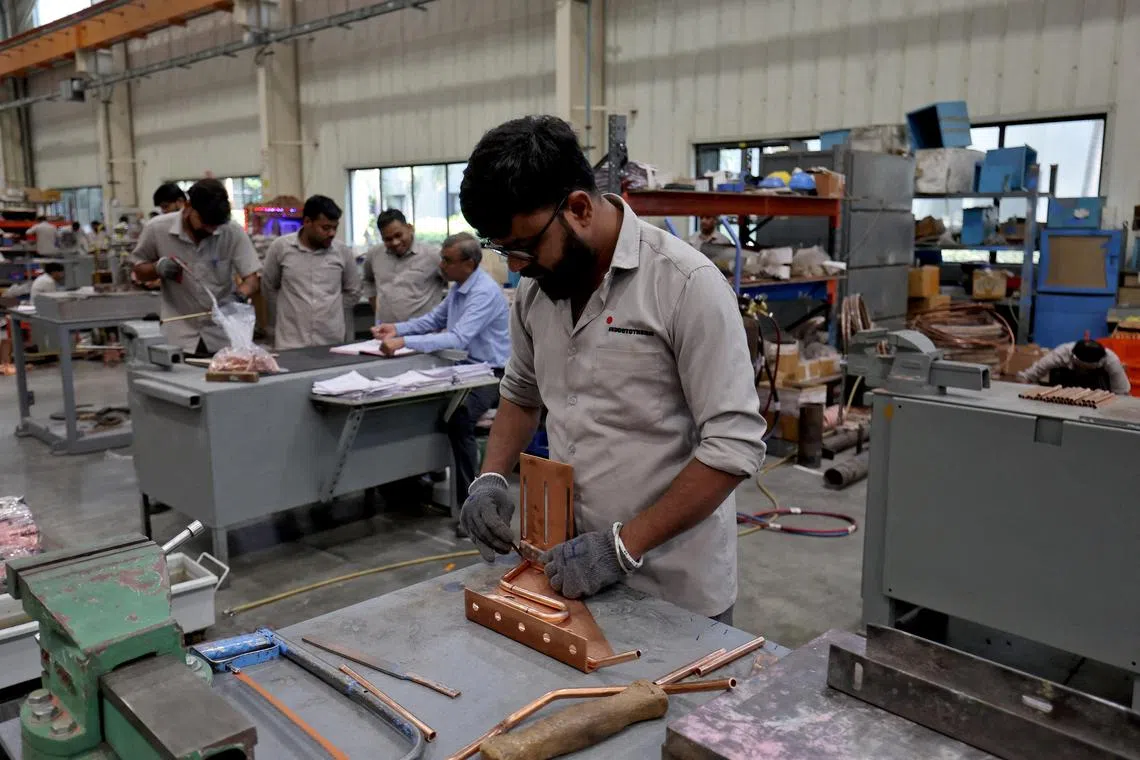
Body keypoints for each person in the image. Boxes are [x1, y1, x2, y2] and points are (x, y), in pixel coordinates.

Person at [457, 115, 766, 623]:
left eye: (524, 247)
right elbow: (521, 391)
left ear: (578, 208)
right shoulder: (537, 290)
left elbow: (733, 445)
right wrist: (489, 477)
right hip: (567, 571)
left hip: (674, 588)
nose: (515, 266)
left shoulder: (685, 285)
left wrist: (622, 547)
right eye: (502, 250)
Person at [371, 232, 510, 508]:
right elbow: (435, 319)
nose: (441, 266)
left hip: (488, 375)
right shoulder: (459, 287)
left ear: (468, 263)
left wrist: (403, 341)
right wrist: (396, 328)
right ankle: (413, 482)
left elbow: (458, 338)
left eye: (447, 260)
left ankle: (469, 504)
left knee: (459, 416)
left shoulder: (483, 292)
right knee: (416, 406)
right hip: (461, 369)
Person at [129, 178, 260, 356]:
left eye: (215, 227)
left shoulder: (231, 232)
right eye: (205, 223)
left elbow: (252, 279)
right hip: (178, 337)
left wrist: (238, 297)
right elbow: (138, 271)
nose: (210, 231)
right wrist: (157, 268)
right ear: (188, 206)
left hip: (222, 336)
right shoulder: (157, 229)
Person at [261, 195, 362, 350]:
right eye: (326, 228)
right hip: (291, 343)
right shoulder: (280, 248)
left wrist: (329, 310)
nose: (332, 233)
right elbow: (269, 288)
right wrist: (291, 311)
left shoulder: (342, 252)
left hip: (332, 342)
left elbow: (353, 291)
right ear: (307, 222)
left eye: (335, 227)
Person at [362, 209, 446, 324]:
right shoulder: (374, 254)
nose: (395, 242)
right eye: (388, 239)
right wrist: (376, 308)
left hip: (423, 334)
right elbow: (368, 281)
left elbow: (455, 284)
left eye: (398, 235)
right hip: (386, 332)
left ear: (410, 228)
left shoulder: (433, 255)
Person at [1018, 336, 1130, 395]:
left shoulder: (1111, 360)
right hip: (1065, 389)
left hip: (1097, 393)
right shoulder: (1061, 353)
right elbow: (1030, 375)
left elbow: (1121, 392)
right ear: (1075, 358)